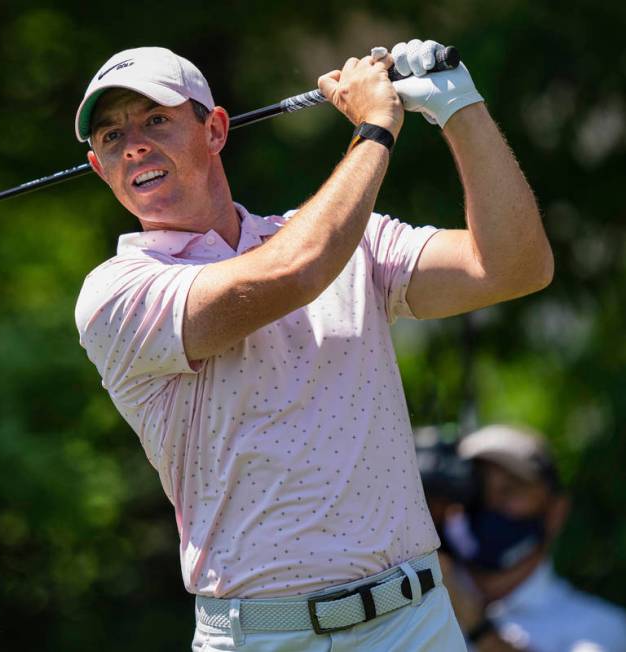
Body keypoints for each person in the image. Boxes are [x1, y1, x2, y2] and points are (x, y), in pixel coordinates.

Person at [73, 39, 553, 651]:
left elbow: (515, 266)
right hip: (262, 636)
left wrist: (460, 107)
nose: (134, 143)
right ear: (99, 167)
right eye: (111, 136)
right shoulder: (116, 293)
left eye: (156, 119)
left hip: (412, 624)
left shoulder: (350, 240)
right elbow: (295, 273)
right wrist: (377, 128)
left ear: (215, 129)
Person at [435, 424, 626, 651]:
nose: (489, 503)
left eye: (510, 490)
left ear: (556, 511)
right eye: (476, 489)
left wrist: (475, 625)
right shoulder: (418, 603)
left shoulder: (602, 627)